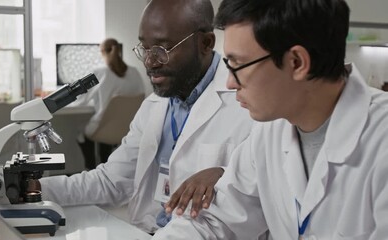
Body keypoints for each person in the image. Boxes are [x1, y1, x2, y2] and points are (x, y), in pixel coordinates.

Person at [153, 0, 388, 239]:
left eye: (239, 65)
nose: (230, 83)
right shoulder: (270, 132)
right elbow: (216, 221)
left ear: (297, 62)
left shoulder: (381, 142)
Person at [36, 0, 254, 234]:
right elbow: (111, 181)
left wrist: (222, 172)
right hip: (146, 230)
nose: (150, 61)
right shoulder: (154, 104)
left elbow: (246, 202)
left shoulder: (247, 105)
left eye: (163, 48)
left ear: (205, 43)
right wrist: (36, 188)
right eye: (145, 48)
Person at [75, 38, 145, 169]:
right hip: (128, 129)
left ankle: (90, 168)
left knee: (81, 131)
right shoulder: (135, 72)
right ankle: (106, 167)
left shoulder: (100, 72)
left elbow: (81, 99)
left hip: (102, 128)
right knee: (105, 130)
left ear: (102, 52)